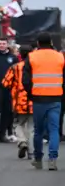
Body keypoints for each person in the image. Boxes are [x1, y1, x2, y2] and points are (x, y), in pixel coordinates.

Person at [22, 33, 64, 170]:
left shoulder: (32, 57)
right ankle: (52, 158)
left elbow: (25, 80)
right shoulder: (60, 56)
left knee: (38, 130)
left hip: (39, 98)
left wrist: (30, 94)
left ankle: (38, 158)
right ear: (51, 42)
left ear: (38, 43)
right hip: (56, 97)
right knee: (54, 130)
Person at [2, 45, 34, 159]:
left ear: (20, 54)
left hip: (19, 101)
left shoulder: (15, 67)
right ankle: (31, 152)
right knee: (31, 127)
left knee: (18, 124)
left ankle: (22, 142)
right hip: (33, 101)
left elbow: (5, 83)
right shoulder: (35, 67)